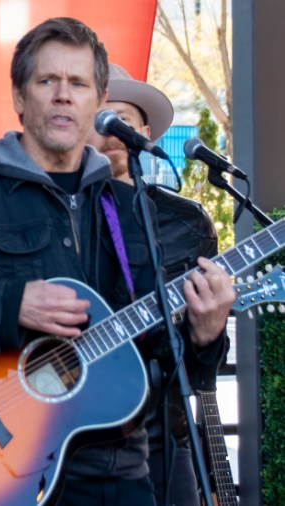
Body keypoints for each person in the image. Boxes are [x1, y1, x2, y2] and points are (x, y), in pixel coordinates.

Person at [0, 17, 234, 506]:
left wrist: (204, 336)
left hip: (119, 474)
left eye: (78, 83)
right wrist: (10, 304)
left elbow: (164, 362)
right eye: (47, 81)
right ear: (20, 98)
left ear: (97, 103)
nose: (63, 95)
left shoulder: (129, 208)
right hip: (5, 468)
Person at [86, 64, 226, 506]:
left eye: (122, 119)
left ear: (143, 130)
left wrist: (208, 334)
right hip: (78, 433)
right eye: (99, 119)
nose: (110, 130)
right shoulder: (59, 213)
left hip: (165, 429)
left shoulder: (188, 221)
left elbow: (202, 368)